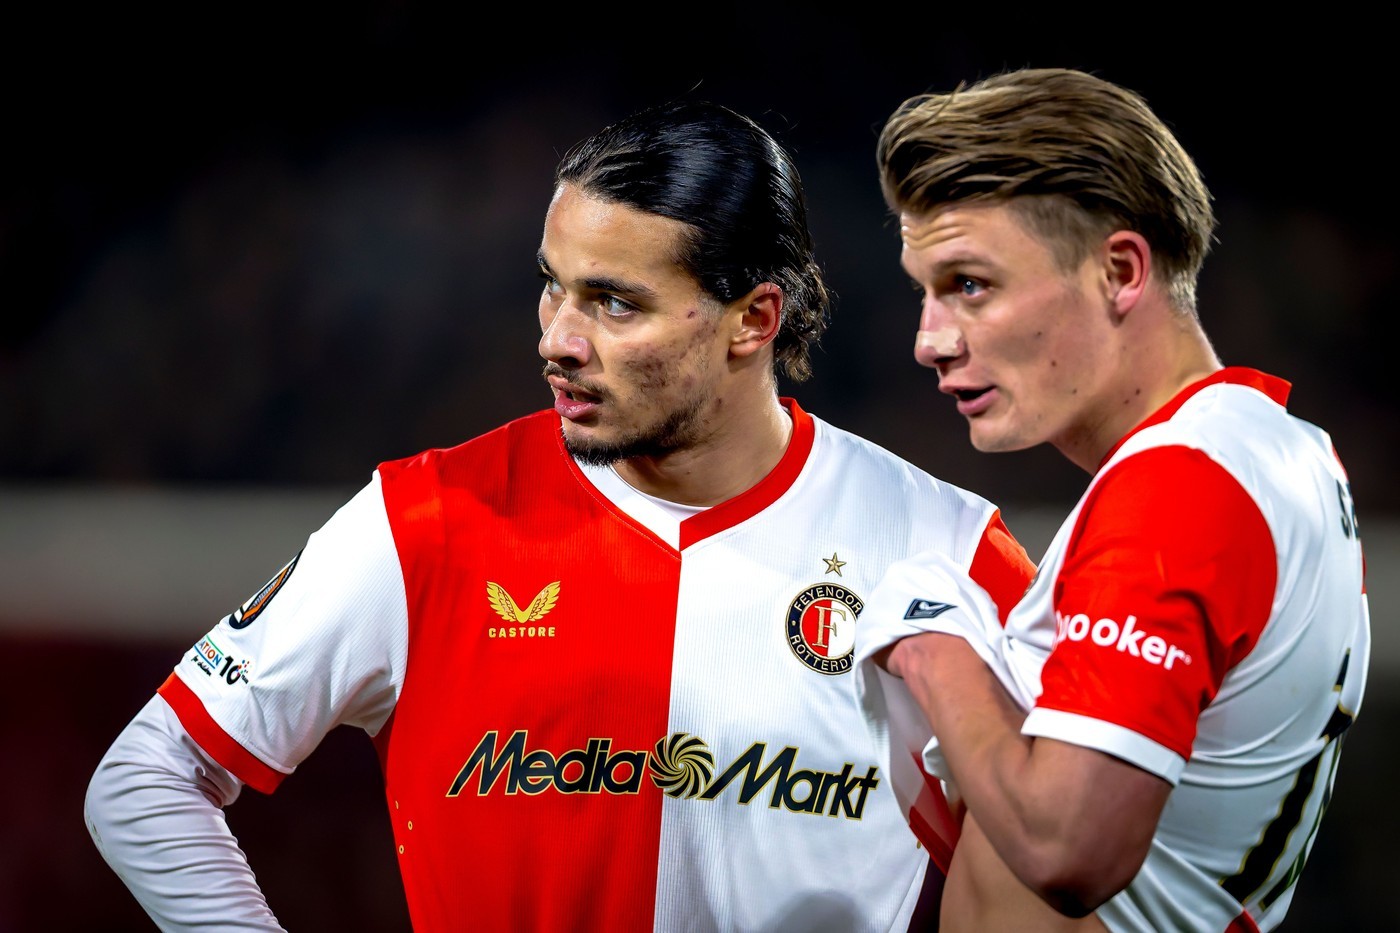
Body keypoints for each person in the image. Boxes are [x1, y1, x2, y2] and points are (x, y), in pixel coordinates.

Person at [84, 98, 1037, 932]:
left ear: (754, 318)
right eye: (553, 284)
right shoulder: (428, 519)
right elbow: (146, 777)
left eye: (615, 303)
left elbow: (1083, 862)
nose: (557, 338)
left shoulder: (943, 546)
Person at [852, 66, 1372, 933]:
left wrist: (934, 642)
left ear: (1120, 271)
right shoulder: (1282, 449)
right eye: (925, 291)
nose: (929, 341)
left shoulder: (1179, 486)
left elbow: (1068, 847)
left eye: (970, 284)